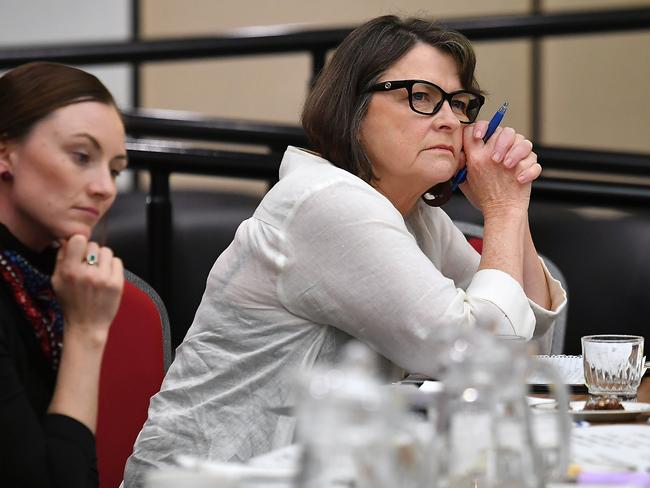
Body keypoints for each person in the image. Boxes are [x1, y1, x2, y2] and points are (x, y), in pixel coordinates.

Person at [125, 15, 566, 485]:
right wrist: (499, 209)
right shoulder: (326, 203)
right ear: (353, 111)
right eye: (420, 97)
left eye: (459, 104)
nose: (448, 120)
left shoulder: (417, 216)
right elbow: (475, 355)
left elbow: (523, 350)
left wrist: (513, 203)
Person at [0, 62, 127, 486]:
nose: (105, 188)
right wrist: (86, 333)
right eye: (81, 156)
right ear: (5, 153)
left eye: (114, 169)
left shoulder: (53, 274)